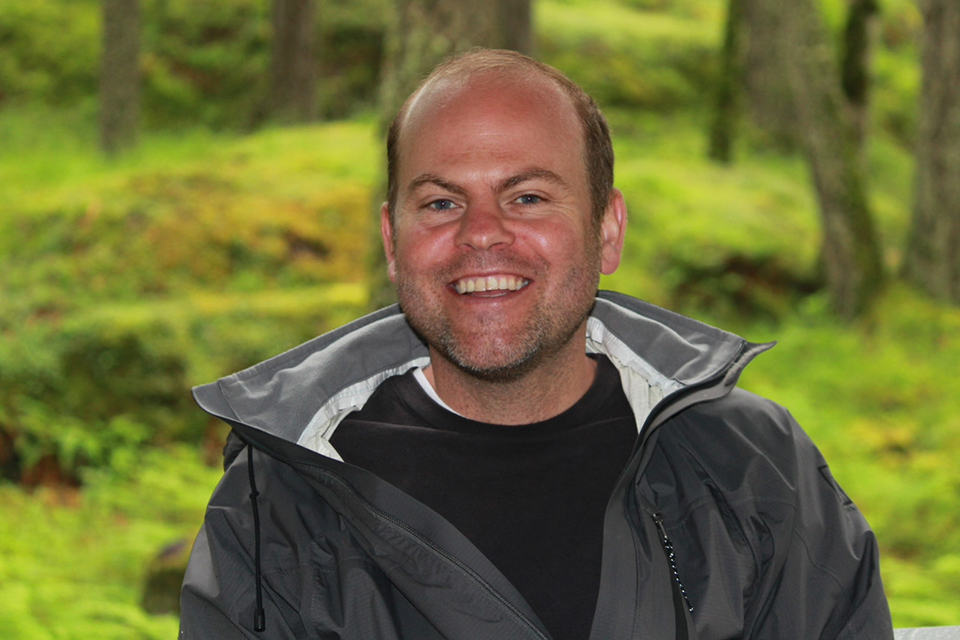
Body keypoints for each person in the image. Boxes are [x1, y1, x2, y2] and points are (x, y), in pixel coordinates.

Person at [180, 49, 894, 639]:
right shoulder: (279, 500)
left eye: (527, 197)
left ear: (607, 230)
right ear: (392, 244)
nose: (482, 233)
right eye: (440, 202)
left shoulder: (751, 471)